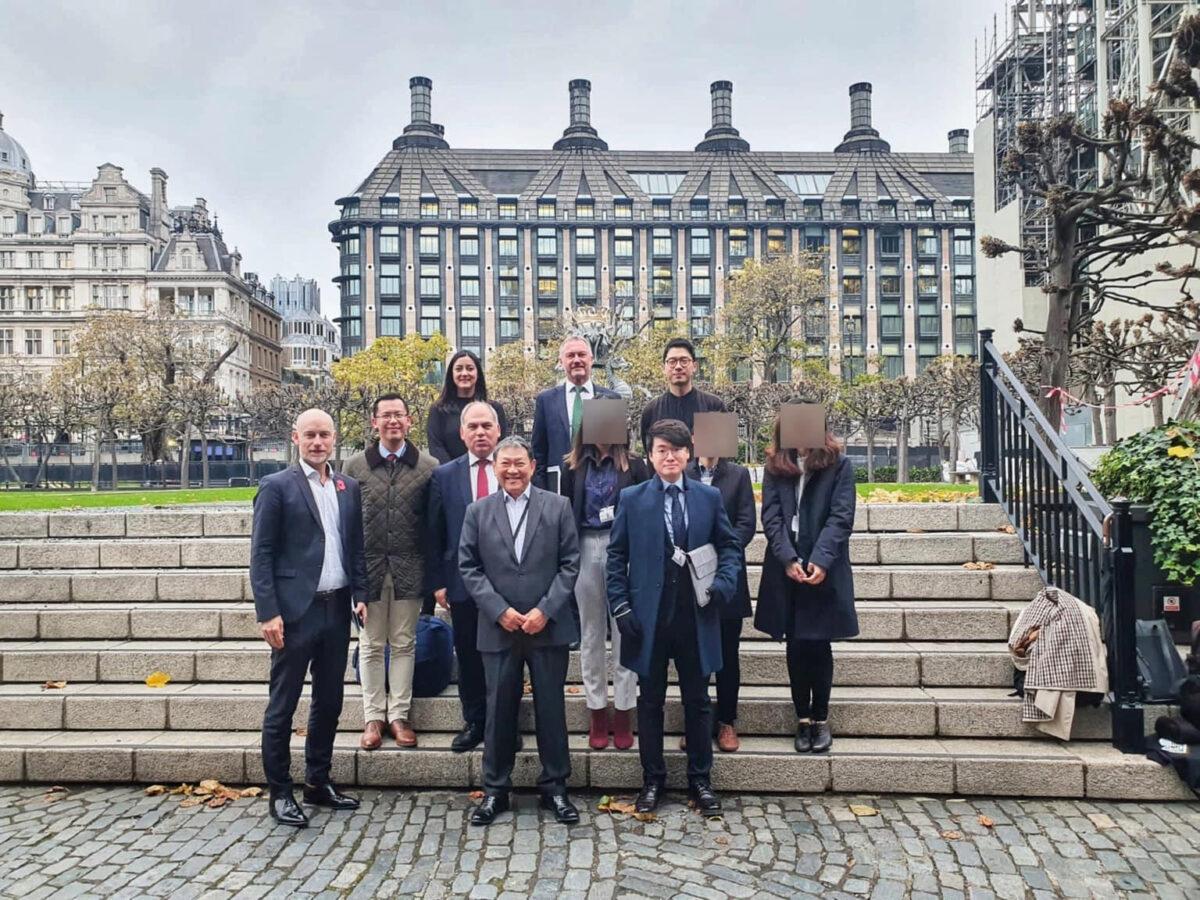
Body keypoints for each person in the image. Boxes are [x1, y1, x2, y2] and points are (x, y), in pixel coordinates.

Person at [605, 419, 742, 815]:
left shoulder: (707, 497)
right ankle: (652, 780)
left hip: (695, 614)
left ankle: (701, 780)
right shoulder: (632, 498)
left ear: (688, 453)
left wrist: (723, 585)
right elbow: (616, 557)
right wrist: (621, 606)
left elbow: (729, 547)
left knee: (698, 701)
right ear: (650, 455)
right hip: (647, 618)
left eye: (677, 449)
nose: (670, 456)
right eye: (662, 450)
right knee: (650, 702)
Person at [249, 408, 367, 828]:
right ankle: (280, 793)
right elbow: (261, 554)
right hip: (296, 612)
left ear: (334, 438)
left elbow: (355, 547)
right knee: (282, 705)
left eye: (325, 435)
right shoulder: (276, 486)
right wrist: (268, 612)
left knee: (329, 701)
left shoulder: (347, 487)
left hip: (337, 609)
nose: (318, 442)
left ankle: (318, 780)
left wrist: (361, 594)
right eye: (310, 435)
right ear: (295, 438)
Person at [459, 436, 581, 826]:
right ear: (494, 467)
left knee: (551, 709)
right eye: (505, 464)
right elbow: (469, 567)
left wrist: (546, 610)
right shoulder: (478, 511)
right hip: (499, 627)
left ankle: (555, 787)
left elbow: (570, 564)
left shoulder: (558, 506)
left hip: (547, 626)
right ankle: (495, 789)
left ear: (532, 466)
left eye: (519, 463)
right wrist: (499, 610)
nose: (512, 470)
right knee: (498, 710)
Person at [754, 407, 857, 755]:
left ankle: (821, 718)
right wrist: (787, 558)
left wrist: (821, 560)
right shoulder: (775, 467)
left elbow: (841, 516)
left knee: (819, 644)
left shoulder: (839, 465)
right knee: (796, 645)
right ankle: (802, 717)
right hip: (787, 565)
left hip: (823, 565)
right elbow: (771, 516)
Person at [341, 393, 437, 750]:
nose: (393, 421)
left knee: (404, 643)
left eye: (399, 414)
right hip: (368, 569)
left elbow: (433, 523)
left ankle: (398, 715)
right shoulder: (354, 467)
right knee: (369, 644)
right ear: (374, 422)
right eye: (386, 415)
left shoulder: (429, 466)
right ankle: (373, 717)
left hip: (411, 568)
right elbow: (347, 523)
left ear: (409, 420)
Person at [559, 421, 650, 750]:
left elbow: (645, 508)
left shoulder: (635, 465)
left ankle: (624, 710)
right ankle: (597, 710)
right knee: (591, 633)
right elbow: (566, 509)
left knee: (625, 631)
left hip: (623, 546)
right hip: (586, 544)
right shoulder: (572, 466)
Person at [426, 401, 502, 753]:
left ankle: (503, 723)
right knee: (469, 655)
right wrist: (439, 581)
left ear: (498, 431)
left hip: (509, 582)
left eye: (486, 426)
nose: (480, 432)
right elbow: (435, 532)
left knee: (506, 659)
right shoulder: (444, 475)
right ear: (461, 433)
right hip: (462, 582)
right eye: (473, 427)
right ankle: (474, 721)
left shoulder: (513, 468)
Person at [682, 452, 756, 753]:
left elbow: (746, 523)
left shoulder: (738, 475)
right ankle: (695, 722)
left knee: (727, 653)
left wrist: (718, 553)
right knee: (692, 656)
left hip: (727, 574)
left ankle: (727, 720)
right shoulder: (684, 472)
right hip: (689, 576)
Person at [531, 335, 619, 491]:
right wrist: (542, 492)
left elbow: (617, 452)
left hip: (599, 489)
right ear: (561, 362)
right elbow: (539, 453)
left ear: (591, 359)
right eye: (570, 355)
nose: (576, 360)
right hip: (558, 487)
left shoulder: (609, 398)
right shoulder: (546, 400)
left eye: (582, 354)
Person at [638, 338, 726, 454]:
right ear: (663, 368)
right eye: (672, 361)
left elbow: (723, 456)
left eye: (684, 361)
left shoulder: (714, 406)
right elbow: (650, 454)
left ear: (695, 366)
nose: (678, 367)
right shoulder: (651, 411)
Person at [426, 349, 509, 464]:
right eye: (459, 369)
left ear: (478, 373)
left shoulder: (494, 409)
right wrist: (455, 471)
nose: (464, 373)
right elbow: (436, 447)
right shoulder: (438, 410)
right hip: (450, 473)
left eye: (470, 368)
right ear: (451, 373)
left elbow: (500, 445)